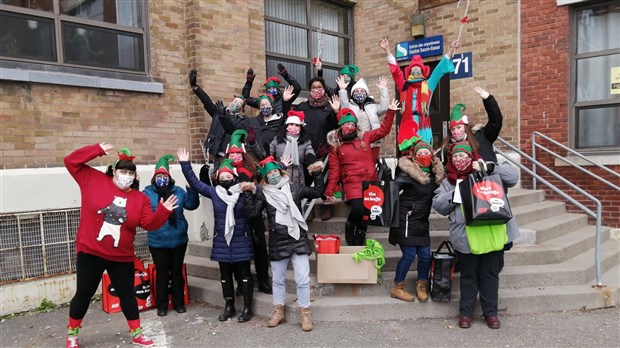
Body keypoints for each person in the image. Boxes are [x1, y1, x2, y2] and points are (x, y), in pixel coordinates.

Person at [64, 144, 178, 348]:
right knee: (84, 294)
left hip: (121, 256)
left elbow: (148, 224)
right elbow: (71, 161)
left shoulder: (140, 198)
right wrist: (96, 149)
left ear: (135, 177)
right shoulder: (93, 180)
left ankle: (136, 333)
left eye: (131, 173)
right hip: (91, 252)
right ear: (114, 171)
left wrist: (163, 211)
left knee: (127, 295)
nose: (127, 176)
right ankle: (72, 335)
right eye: (123, 171)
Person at [432, 142, 518, 330]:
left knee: (490, 275)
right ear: (450, 160)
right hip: (466, 237)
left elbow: (513, 177)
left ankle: (491, 313)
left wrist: (488, 166)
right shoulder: (448, 182)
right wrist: (457, 193)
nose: (459, 160)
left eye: (463, 156)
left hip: (491, 232)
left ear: (471, 157)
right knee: (468, 276)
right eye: (455, 157)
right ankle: (466, 313)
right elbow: (438, 204)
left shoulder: (486, 172)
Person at [241, 156, 324, 332]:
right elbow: (253, 213)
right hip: (277, 239)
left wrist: (317, 173)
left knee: (302, 279)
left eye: (275, 171)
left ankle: (305, 312)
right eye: (269, 173)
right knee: (278, 280)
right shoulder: (263, 193)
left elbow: (316, 192)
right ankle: (278, 311)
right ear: (265, 177)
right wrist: (248, 192)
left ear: (280, 171)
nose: (273, 175)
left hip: (297, 238)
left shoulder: (295, 187)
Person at [439, 88, 519, 268]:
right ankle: (466, 263)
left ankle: (493, 269)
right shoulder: (448, 149)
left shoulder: (482, 137)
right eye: (453, 129)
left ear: (465, 127)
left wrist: (488, 99)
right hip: (464, 197)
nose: (456, 132)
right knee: (468, 236)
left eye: (459, 127)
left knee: (495, 239)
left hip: (489, 192)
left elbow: (496, 121)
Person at [177, 148, 255, 323]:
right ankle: (229, 306)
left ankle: (248, 307)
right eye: (223, 177)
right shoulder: (214, 192)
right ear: (218, 178)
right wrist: (185, 164)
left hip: (241, 237)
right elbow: (196, 184)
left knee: (244, 274)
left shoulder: (243, 191)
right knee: (225, 275)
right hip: (222, 240)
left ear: (234, 177)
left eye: (229, 177)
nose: (226, 180)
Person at [324, 99, 399, 246]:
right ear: (341, 125)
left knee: (368, 212)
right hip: (352, 182)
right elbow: (334, 170)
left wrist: (390, 112)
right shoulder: (335, 146)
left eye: (352, 124)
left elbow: (383, 131)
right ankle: (351, 224)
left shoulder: (365, 137)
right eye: (347, 124)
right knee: (358, 210)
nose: (350, 127)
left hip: (370, 181)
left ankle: (360, 234)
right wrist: (330, 191)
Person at [389, 139, 445, 303]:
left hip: (421, 220)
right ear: (414, 157)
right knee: (409, 255)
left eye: (426, 153)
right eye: (419, 154)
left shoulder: (436, 175)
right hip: (405, 219)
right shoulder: (408, 173)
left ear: (432, 155)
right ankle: (397, 287)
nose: (423, 156)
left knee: (426, 256)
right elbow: (392, 189)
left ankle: (422, 285)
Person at [144, 154, 200, 317]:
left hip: (178, 240)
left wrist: (191, 189)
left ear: (170, 178)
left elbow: (191, 205)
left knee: (176, 273)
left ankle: (179, 303)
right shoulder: (147, 193)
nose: (162, 179)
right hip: (158, 242)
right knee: (161, 274)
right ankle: (161, 305)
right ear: (154, 178)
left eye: (165, 176)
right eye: (159, 176)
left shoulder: (179, 192)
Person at [379, 37, 460, 146]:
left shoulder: (428, 85)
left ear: (423, 71)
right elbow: (397, 72)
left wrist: (451, 50)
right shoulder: (404, 85)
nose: (416, 72)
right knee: (408, 152)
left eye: (418, 70)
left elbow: (438, 70)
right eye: (413, 70)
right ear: (409, 72)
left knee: (424, 151)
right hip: (407, 123)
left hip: (423, 125)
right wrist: (387, 50)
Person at [223, 129, 271, 295]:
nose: (234, 157)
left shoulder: (251, 169)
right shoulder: (224, 172)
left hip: (254, 215)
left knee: (260, 249)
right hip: (236, 216)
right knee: (239, 252)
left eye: (237, 154)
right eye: (231, 154)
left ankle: (264, 280)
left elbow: (262, 185)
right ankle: (241, 282)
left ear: (242, 154)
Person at [290, 77, 340, 221]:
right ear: (309, 90)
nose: (317, 90)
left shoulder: (330, 107)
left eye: (320, 87)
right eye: (313, 87)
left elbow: (335, 125)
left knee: (324, 180)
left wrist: (336, 112)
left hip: (324, 148)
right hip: (305, 148)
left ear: (324, 89)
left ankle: (327, 206)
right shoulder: (302, 106)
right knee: (306, 179)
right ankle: (308, 208)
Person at [219, 93, 285, 163]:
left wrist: (286, 102)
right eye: (262, 105)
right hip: (253, 159)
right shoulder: (251, 121)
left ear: (272, 106)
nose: (265, 106)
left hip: (271, 160)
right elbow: (232, 130)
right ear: (260, 108)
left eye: (267, 104)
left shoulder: (279, 122)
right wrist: (224, 117)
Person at [337, 75, 389, 160]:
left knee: (371, 166)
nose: (359, 93)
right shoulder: (349, 106)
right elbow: (343, 107)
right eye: (356, 91)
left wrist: (383, 90)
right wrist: (342, 90)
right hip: (354, 142)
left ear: (366, 93)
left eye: (362, 91)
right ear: (352, 94)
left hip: (372, 143)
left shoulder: (373, 106)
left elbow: (384, 108)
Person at [269, 110, 324, 188]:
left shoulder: (305, 142)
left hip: (298, 180)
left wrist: (313, 160)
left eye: (297, 125)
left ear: (301, 128)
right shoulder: (277, 141)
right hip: (280, 178)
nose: (293, 127)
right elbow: (268, 156)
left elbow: (310, 153)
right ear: (286, 126)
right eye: (291, 124)